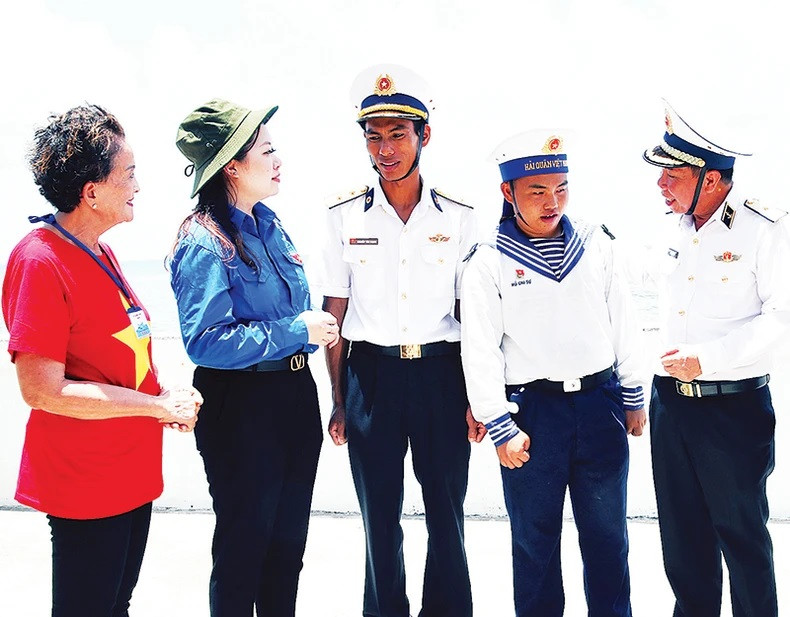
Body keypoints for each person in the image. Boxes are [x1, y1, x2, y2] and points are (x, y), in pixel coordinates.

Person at [1, 104, 202, 617]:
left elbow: (116, 354)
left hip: (129, 472)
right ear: (91, 191)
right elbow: (42, 390)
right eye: (129, 173)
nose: (139, 184)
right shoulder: (40, 259)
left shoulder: (97, 249)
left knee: (117, 605)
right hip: (85, 482)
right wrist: (155, 408)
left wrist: (162, 399)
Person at [461, 130, 647, 616]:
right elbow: (480, 349)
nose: (552, 202)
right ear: (508, 192)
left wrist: (633, 394)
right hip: (532, 415)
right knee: (534, 545)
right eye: (537, 191)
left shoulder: (595, 243)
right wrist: (500, 425)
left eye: (561, 187)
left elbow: (622, 318)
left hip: (598, 404)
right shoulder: (488, 260)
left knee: (609, 540)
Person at [319, 64, 482, 617]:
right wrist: (339, 401)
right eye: (373, 136)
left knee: (446, 515)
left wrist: (479, 399)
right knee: (379, 520)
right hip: (372, 379)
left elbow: (473, 315)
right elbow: (334, 314)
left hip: (441, 375)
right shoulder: (343, 214)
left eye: (397, 134)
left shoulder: (459, 215)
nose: (384, 149)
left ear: (423, 136)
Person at [168, 98, 340, 617]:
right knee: (244, 550)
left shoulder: (269, 223)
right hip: (241, 409)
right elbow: (206, 341)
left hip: (292, 398)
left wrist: (308, 333)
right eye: (266, 149)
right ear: (232, 166)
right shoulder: (204, 240)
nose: (277, 157)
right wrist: (296, 330)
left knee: (287, 552)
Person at [642, 101, 790, 617]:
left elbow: (782, 318)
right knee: (683, 546)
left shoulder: (764, 227)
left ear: (711, 179)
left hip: (733, 409)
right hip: (671, 407)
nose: (661, 184)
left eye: (672, 173)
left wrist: (709, 359)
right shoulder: (671, 227)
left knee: (743, 540)